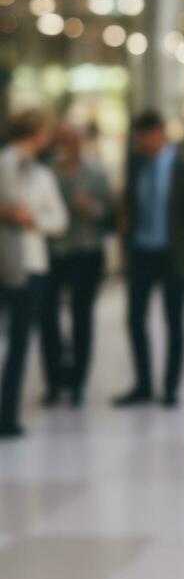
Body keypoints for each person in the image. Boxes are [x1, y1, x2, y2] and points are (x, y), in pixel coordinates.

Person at [115, 111, 184, 408]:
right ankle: (143, 384)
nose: (141, 143)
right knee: (135, 318)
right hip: (142, 251)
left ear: (158, 133)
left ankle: (169, 388)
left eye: (144, 137)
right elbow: (129, 201)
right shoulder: (135, 163)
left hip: (174, 255)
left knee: (173, 320)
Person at [0, 111, 68, 437]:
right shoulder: (5, 163)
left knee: (19, 343)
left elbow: (59, 221)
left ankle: (7, 414)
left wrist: (32, 221)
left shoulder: (42, 175)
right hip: (5, 261)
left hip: (32, 266)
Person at [42, 122, 115, 407]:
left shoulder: (96, 173)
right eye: (63, 139)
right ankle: (54, 379)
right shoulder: (46, 172)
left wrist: (92, 208)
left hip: (86, 252)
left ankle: (77, 382)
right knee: (48, 316)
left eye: (73, 139)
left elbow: (111, 213)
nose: (68, 145)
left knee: (81, 316)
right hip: (54, 253)